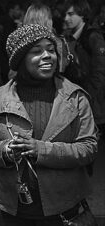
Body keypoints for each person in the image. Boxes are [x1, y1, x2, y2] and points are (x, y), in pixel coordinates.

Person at [0, 24, 98, 226]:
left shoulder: (75, 97)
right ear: (20, 59)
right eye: (36, 51)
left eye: (51, 50)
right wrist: (4, 151)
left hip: (63, 204)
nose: (47, 56)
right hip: (13, 204)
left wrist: (41, 150)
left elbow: (89, 147)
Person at [63, 0, 105, 135]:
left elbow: (100, 72)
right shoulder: (69, 38)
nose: (66, 18)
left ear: (82, 15)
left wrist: (87, 97)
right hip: (77, 105)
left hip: (94, 106)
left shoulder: (93, 37)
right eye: (65, 14)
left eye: (71, 14)